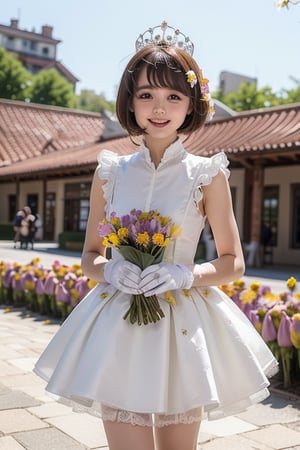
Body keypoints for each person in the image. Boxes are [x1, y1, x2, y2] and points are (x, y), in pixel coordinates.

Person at [34, 22, 278, 450]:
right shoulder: (110, 172)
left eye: (173, 96)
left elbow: (231, 261)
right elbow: (90, 255)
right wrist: (111, 269)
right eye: (145, 94)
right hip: (117, 322)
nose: (158, 107)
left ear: (191, 103)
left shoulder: (207, 174)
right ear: (130, 101)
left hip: (182, 323)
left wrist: (184, 275)